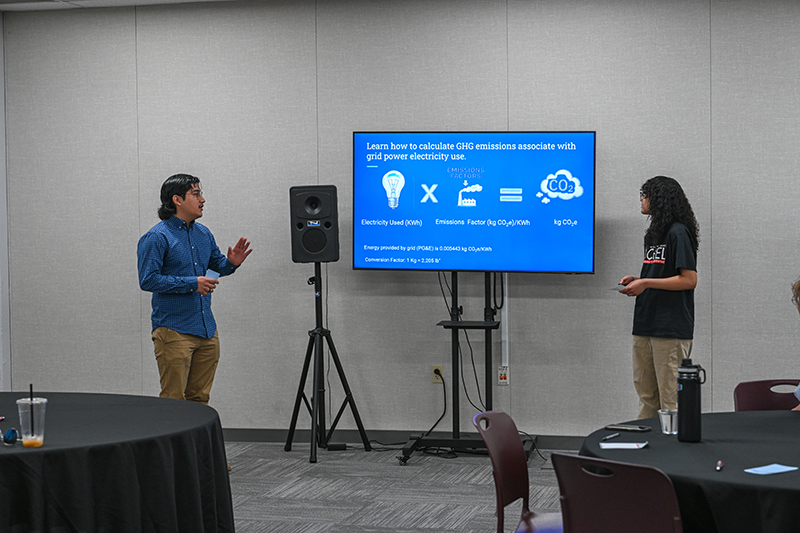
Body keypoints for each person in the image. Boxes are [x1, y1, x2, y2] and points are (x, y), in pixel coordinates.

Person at [138, 173, 252, 405]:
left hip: (207, 330)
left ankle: (195, 444)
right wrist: (192, 283)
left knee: (200, 399)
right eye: (196, 194)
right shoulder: (156, 237)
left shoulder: (203, 234)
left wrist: (231, 263)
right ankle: (173, 443)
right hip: (173, 330)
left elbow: (217, 266)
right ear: (177, 199)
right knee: (173, 401)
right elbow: (148, 280)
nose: (203, 200)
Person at [619, 176, 699, 419]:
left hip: (669, 326)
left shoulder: (678, 233)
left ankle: (674, 453)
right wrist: (638, 279)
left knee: (670, 400)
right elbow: (658, 273)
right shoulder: (653, 234)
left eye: (645, 195)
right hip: (645, 322)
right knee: (646, 397)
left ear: (660, 199)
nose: (641, 200)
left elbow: (689, 279)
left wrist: (646, 282)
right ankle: (647, 452)